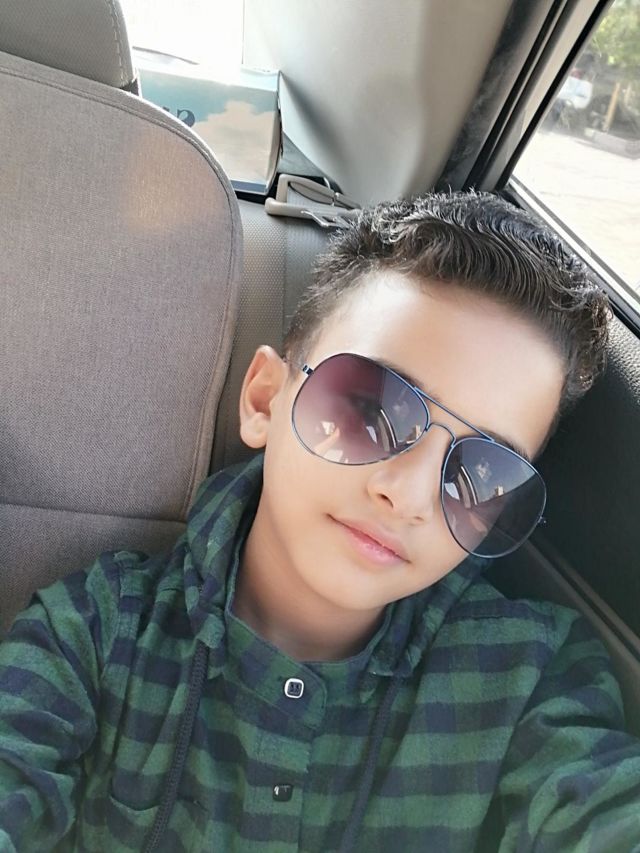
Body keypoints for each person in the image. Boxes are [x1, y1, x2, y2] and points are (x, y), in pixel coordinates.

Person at [0, 192, 639, 852]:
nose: (409, 495)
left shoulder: (529, 674)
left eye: (484, 471)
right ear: (264, 400)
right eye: (370, 408)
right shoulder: (93, 636)